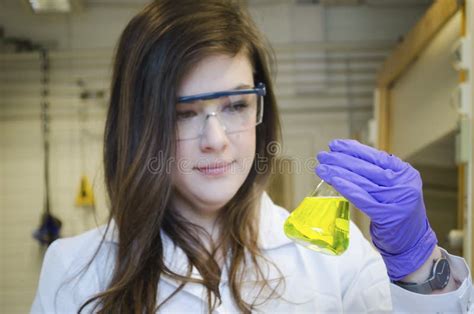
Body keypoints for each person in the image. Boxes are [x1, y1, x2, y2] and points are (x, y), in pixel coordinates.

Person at [31, 0, 473, 313]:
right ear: (140, 122)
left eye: (237, 105)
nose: (217, 139)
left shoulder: (333, 258)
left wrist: (419, 266)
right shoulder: (76, 271)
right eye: (184, 113)